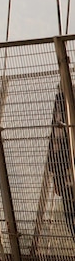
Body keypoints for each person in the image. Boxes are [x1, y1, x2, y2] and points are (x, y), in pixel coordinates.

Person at [50, 84, 75, 237]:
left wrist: (56, 176)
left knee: (71, 217)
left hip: (67, 176)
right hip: (66, 174)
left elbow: (56, 141)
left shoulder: (62, 103)